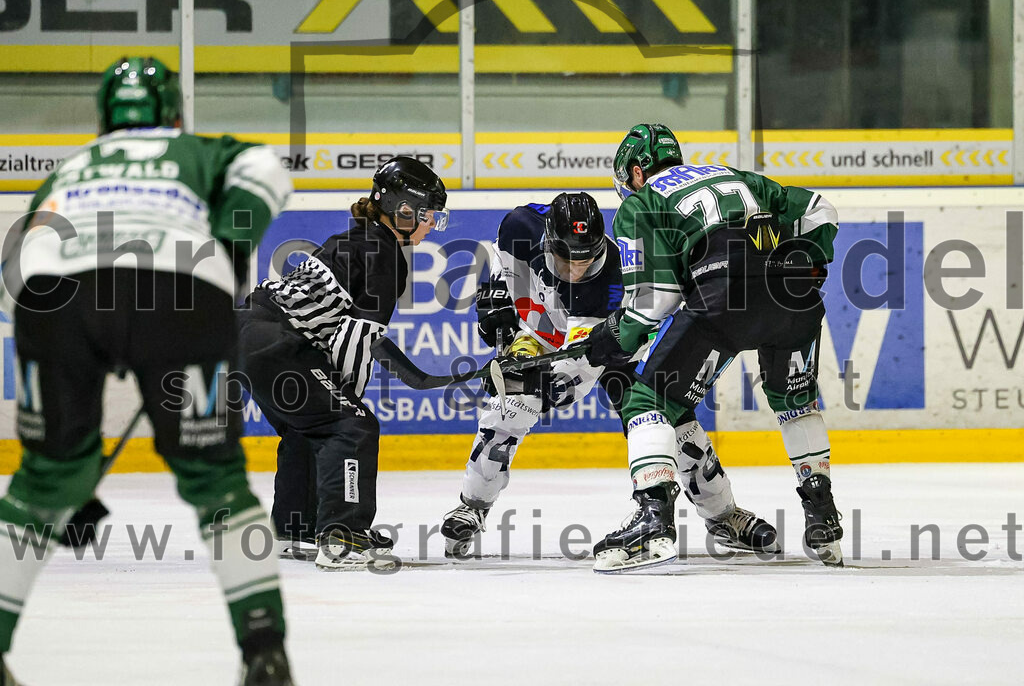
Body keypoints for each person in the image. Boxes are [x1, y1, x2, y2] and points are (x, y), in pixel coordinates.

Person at [0, 57, 296, 684]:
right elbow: (266, 167)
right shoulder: (197, 149)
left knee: (43, 481)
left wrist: (72, 483)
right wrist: (230, 245)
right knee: (215, 480)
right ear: (173, 114)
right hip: (180, 292)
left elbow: (23, 250)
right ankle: (264, 649)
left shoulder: (71, 165)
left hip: (53, 297)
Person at [440, 192, 778, 560]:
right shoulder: (519, 226)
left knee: (673, 425)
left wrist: (531, 379)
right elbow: (502, 257)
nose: (577, 270)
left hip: (611, 346)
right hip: (545, 333)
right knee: (507, 413)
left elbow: (575, 370)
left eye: (586, 260)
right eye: (567, 259)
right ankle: (471, 506)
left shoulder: (609, 281)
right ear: (548, 240)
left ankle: (723, 516)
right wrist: (497, 297)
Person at [586, 123, 844, 573]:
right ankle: (822, 513)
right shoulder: (736, 175)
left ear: (635, 172)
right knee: (796, 405)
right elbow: (821, 210)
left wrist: (614, 337)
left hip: (724, 298)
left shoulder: (642, 203)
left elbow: (656, 300)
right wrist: (807, 265)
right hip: (794, 296)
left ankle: (652, 516)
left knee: (647, 400)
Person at [237, 156, 448, 571]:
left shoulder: (358, 238)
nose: (431, 226)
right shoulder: (385, 255)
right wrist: (349, 405)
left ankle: (296, 528)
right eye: (428, 215)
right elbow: (355, 338)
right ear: (403, 210)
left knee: (309, 427)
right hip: (277, 343)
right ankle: (342, 535)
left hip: (247, 335)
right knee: (351, 426)